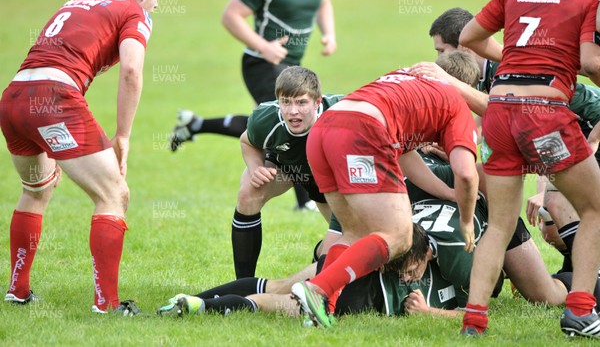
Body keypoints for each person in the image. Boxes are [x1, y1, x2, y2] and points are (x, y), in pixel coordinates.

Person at [157, 152, 589, 320]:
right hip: (365, 257)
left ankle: (581, 277)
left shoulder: (458, 252)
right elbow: (346, 233)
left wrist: (431, 315)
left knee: (547, 295)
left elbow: (478, 308)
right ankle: (196, 300)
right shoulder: (396, 196)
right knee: (285, 288)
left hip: (490, 224)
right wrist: (331, 254)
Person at [0, 0, 164, 315]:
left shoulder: (77, 0)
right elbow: (132, 71)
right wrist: (123, 135)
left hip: (13, 98)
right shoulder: (135, 11)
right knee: (114, 194)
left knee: (36, 189)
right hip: (53, 98)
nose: (156, 6)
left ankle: (17, 290)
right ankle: (108, 305)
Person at [456, 0, 600, 337]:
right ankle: (582, 312)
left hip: (500, 112)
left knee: (500, 223)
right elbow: (590, 62)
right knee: (595, 209)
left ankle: (474, 320)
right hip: (545, 114)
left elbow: (468, 37)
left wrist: (519, 61)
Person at [289, 61, 480, 328]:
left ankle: (324, 307)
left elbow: (407, 154)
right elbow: (467, 174)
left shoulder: (413, 85)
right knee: (400, 236)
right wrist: (467, 219)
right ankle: (317, 288)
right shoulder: (457, 106)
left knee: (354, 231)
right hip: (362, 131)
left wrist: (447, 192)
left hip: (323, 130)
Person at [416, 6, 600, 275]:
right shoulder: (485, 78)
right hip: (565, 144)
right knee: (549, 221)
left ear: (465, 47)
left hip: (593, 132)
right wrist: (455, 149)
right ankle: (574, 271)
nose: (438, 59)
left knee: (556, 203)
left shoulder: (508, 69)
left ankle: (591, 277)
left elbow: (500, 108)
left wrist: (448, 81)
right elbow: (483, 126)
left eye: (442, 51)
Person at [169, 0, 337, 211]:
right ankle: (305, 202)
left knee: (266, 122)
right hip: (261, 64)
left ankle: (195, 125)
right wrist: (264, 46)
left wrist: (329, 34)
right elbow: (230, 15)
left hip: (291, 66)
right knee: (283, 122)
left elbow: (323, 1)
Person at [231, 66, 340, 279]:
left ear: (317, 102)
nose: (293, 111)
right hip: (287, 166)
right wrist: (256, 169)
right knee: (248, 194)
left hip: (331, 178)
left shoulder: (341, 115)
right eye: (286, 102)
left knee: (345, 240)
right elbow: (247, 141)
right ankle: (244, 284)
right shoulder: (266, 118)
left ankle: (320, 257)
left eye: (301, 102)